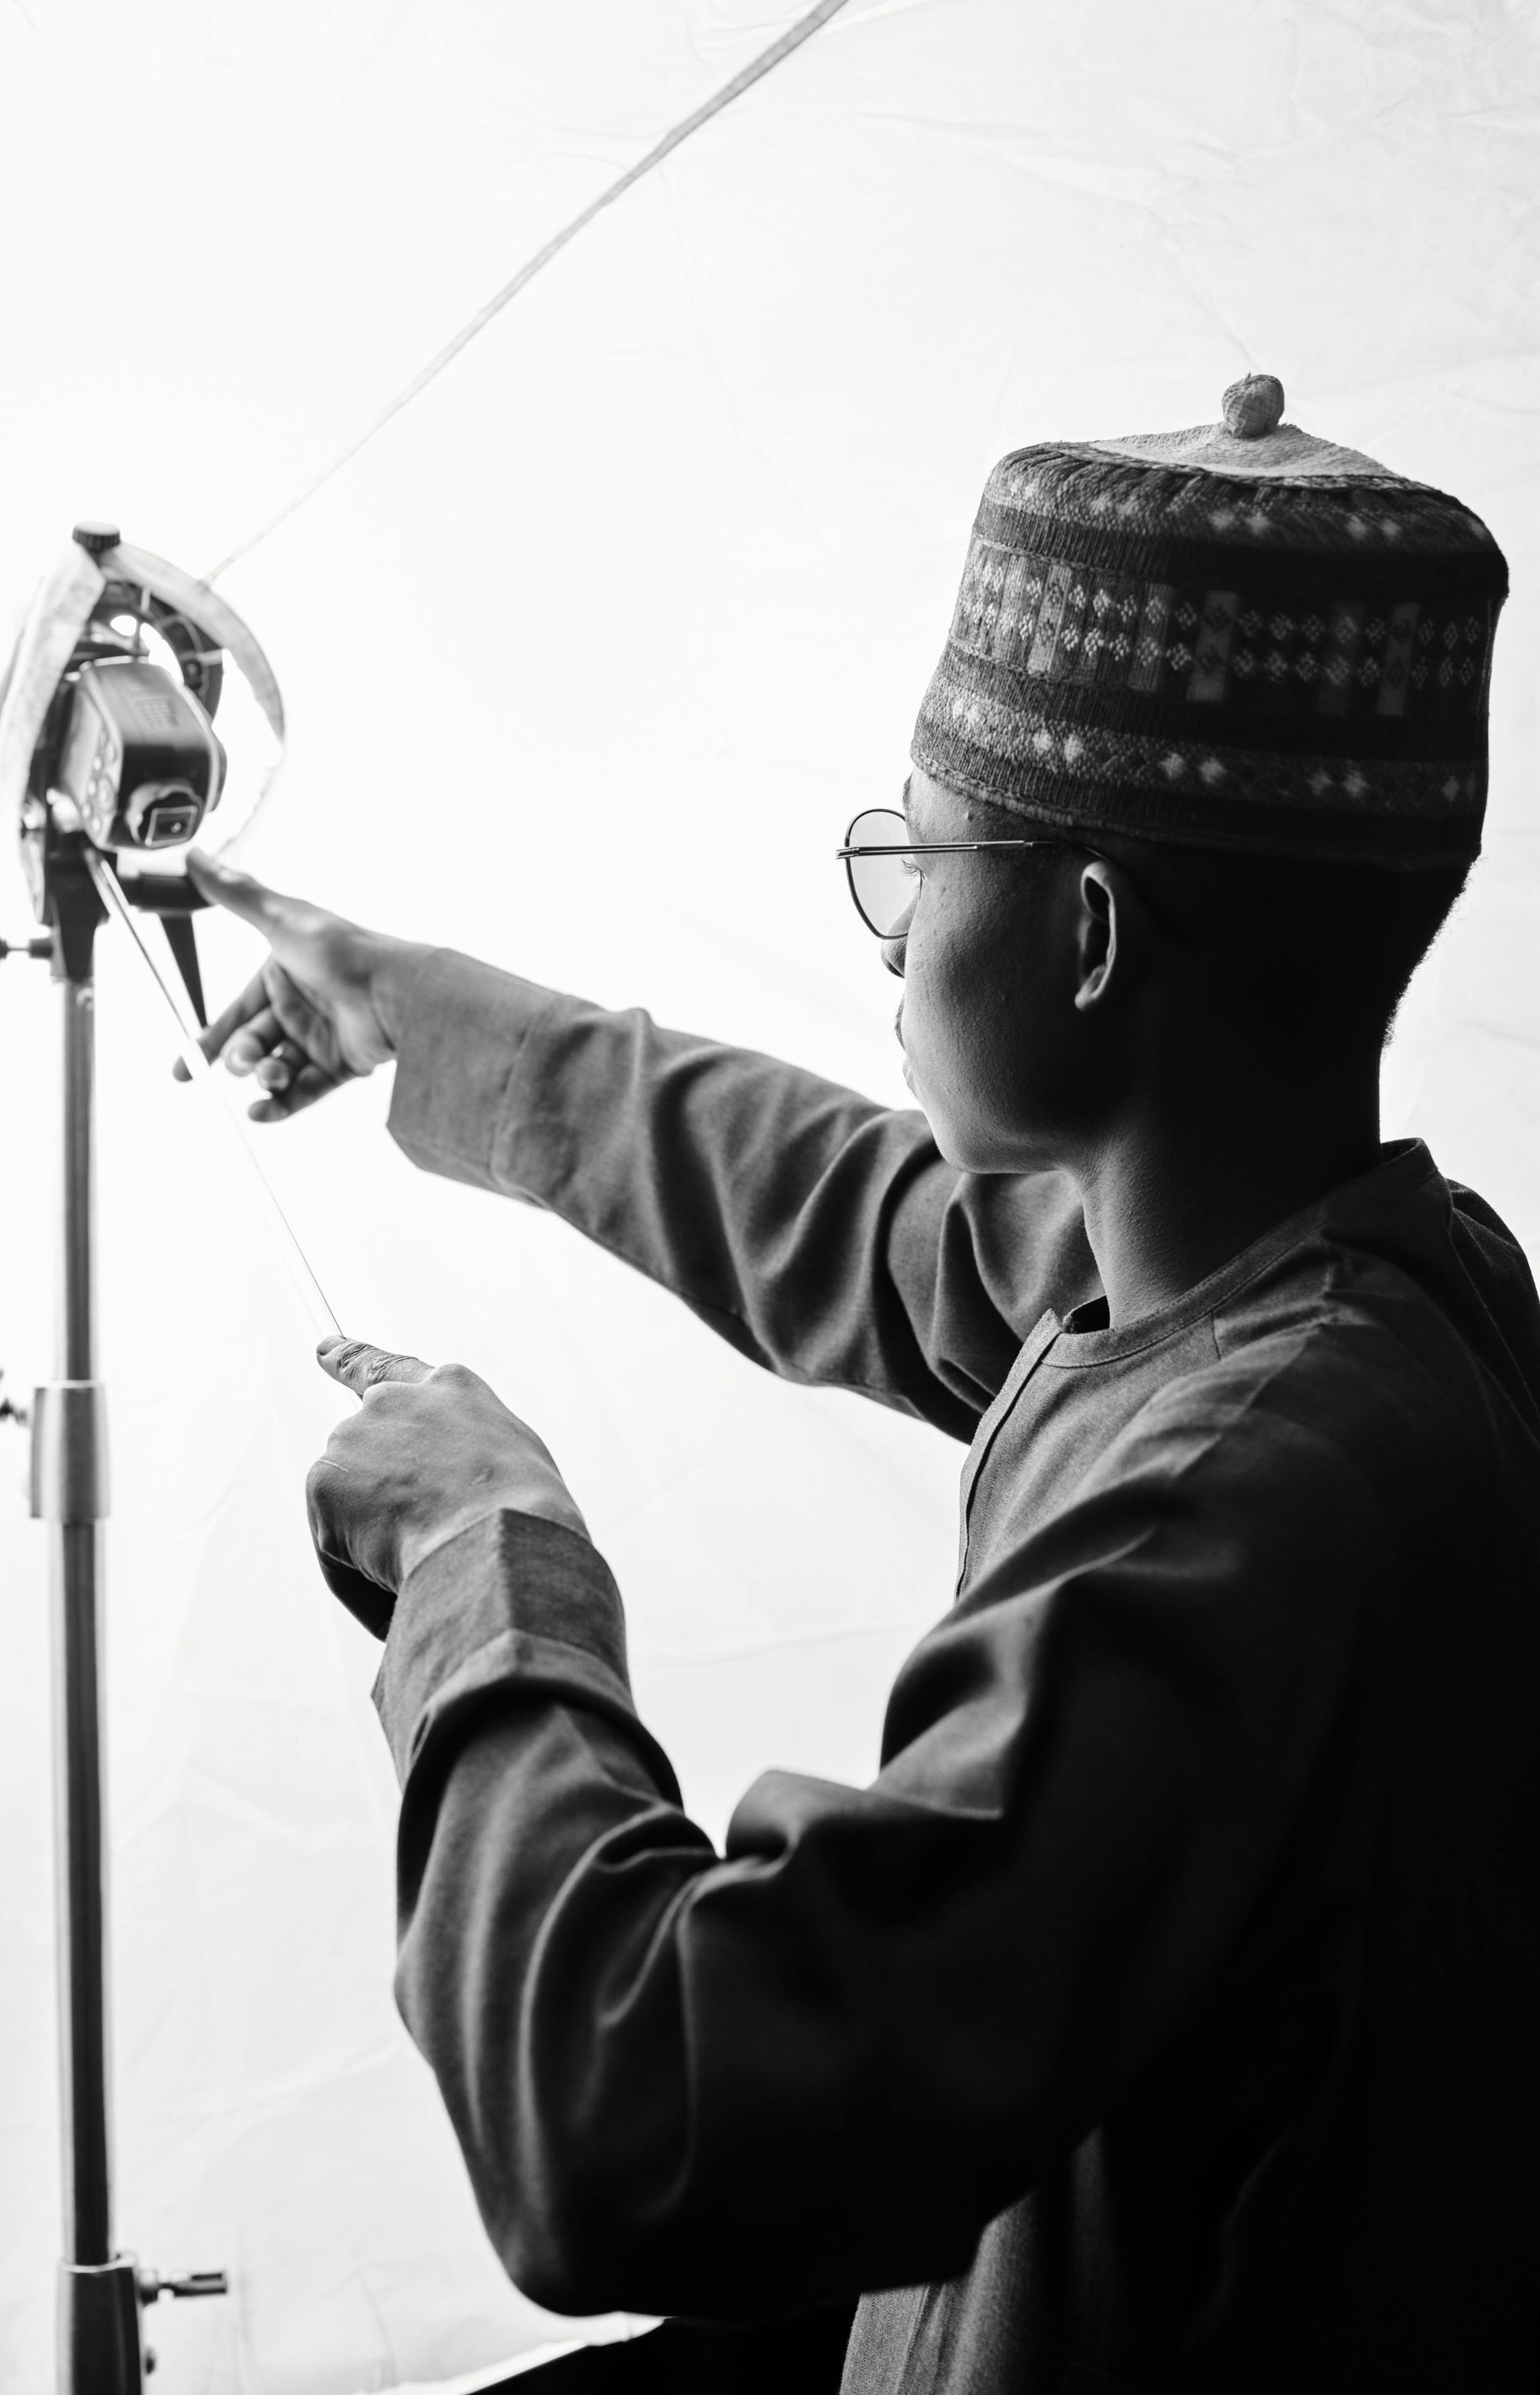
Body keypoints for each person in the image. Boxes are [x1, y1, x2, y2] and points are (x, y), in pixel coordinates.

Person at [183, 376, 1538, 2392]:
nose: (893, 940)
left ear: (1087, 932)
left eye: (919, 856)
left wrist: (488, 1562)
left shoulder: (1236, 1514)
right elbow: (862, 1215)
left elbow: (642, 2121)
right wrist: (415, 1014)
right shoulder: (1351, 1285)